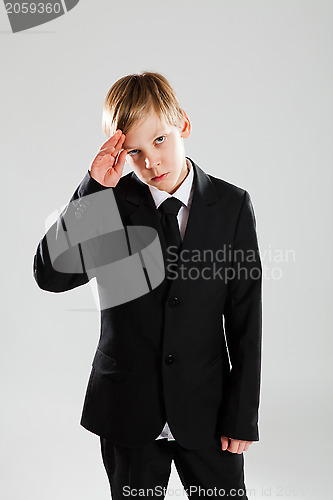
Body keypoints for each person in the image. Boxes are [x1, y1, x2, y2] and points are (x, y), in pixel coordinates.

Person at [33, 71, 262, 499]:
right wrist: (90, 190)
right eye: (135, 151)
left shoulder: (231, 205)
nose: (151, 162)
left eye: (160, 140)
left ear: (184, 126)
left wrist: (243, 414)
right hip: (127, 409)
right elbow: (51, 274)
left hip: (208, 411)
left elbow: (247, 317)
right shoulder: (108, 204)